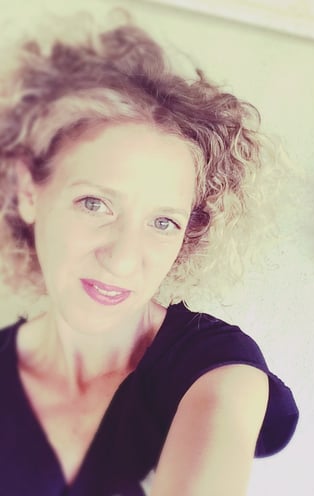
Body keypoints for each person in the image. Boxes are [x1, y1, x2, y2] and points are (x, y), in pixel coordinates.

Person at [0, 13, 298, 496]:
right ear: (28, 192)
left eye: (163, 222)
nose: (123, 260)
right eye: (94, 203)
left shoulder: (215, 367)